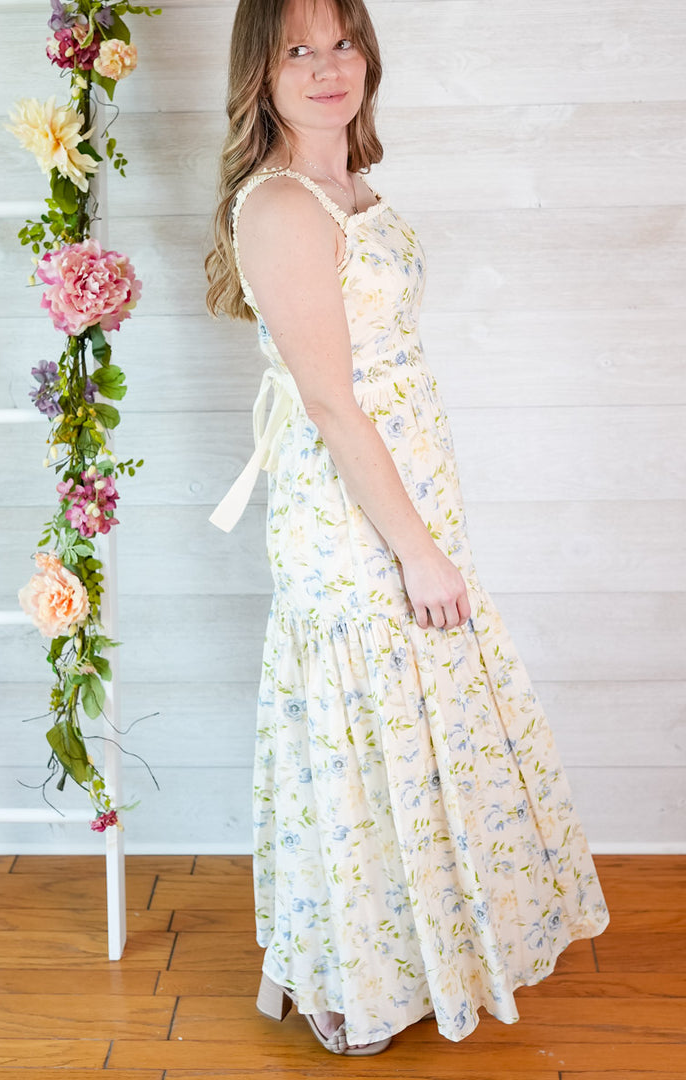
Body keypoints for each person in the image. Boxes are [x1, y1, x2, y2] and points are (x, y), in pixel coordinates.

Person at [205, 0, 610, 1057]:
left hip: (403, 488)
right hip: (349, 513)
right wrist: (416, 549)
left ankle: (420, 946)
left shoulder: (353, 191)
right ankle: (355, 974)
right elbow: (334, 401)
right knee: (366, 722)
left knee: (418, 723)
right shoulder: (283, 206)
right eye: (298, 48)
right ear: (262, 71)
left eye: (343, 42)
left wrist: (431, 527)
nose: (328, 66)